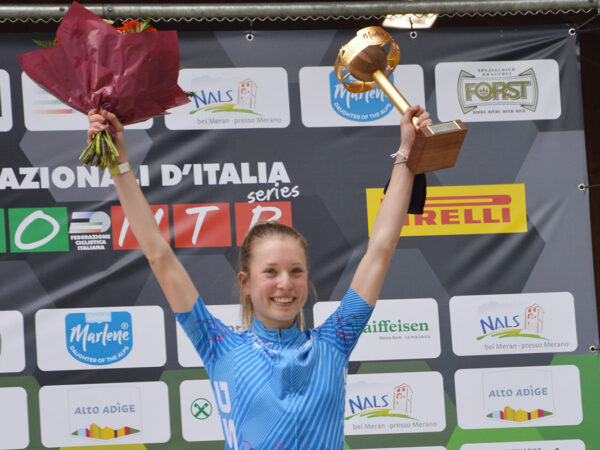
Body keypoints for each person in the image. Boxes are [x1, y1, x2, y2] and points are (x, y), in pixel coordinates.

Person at [87, 105, 432, 449]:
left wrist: (407, 151)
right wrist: (119, 163)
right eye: (270, 272)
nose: (285, 283)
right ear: (245, 283)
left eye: (295, 271)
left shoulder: (334, 341)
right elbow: (159, 256)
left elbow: (381, 248)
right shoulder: (217, 345)